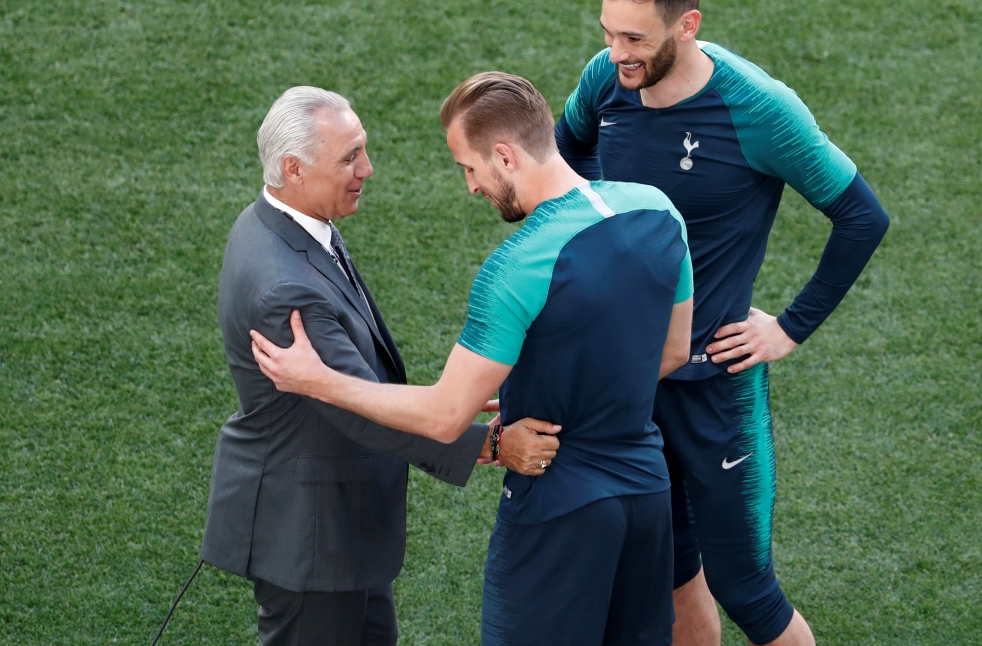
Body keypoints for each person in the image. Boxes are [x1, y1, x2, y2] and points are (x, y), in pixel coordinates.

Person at [249, 72, 695, 646]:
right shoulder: (660, 211)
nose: (471, 186)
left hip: (559, 507)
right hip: (648, 497)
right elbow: (673, 350)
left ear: (505, 157)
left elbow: (444, 416)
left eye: (469, 167)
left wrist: (319, 381)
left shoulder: (517, 266)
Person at [554, 0, 891, 646]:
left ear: (688, 25)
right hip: (629, 383)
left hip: (716, 389)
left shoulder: (757, 110)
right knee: (670, 573)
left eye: (635, 38)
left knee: (748, 591)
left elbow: (862, 216)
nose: (618, 54)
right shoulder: (606, 79)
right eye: (609, 32)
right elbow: (567, 155)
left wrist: (790, 327)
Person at [200, 86, 560, 646]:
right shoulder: (284, 288)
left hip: (336, 529)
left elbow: (350, 387)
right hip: (311, 538)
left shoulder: (283, 225)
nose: (367, 169)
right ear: (293, 169)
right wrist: (490, 446)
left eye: (362, 150)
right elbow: (355, 411)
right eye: (349, 158)